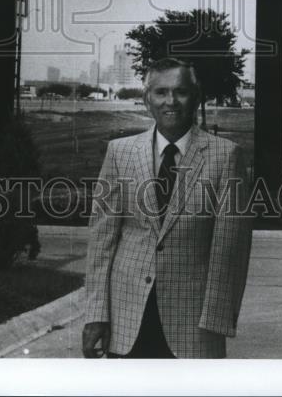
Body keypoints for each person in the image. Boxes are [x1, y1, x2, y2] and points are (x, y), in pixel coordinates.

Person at [82, 57, 252, 359]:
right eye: (160, 92)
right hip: (126, 321)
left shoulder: (226, 156)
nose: (170, 101)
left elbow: (230, 249)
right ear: (147, 100)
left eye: (180, 92)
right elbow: (101, 241)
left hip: (194, 326)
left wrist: (215, 322)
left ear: (196, 97)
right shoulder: (120, 153)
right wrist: (96, 314)